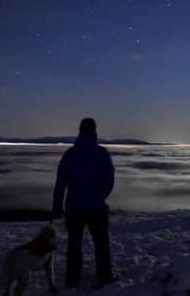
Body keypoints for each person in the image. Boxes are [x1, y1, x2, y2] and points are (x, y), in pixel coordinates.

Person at [52, 117, 116, 288]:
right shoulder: (102, 153)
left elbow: (60, 183)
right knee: (101, 244)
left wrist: (57, 207)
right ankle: (105, 276)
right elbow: (109, 180)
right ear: (95, 131)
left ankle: (72, 280)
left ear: (80, 131)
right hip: (96, 207)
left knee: (74, 245)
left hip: (73, 208)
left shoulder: (70, 154)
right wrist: (100, 197)